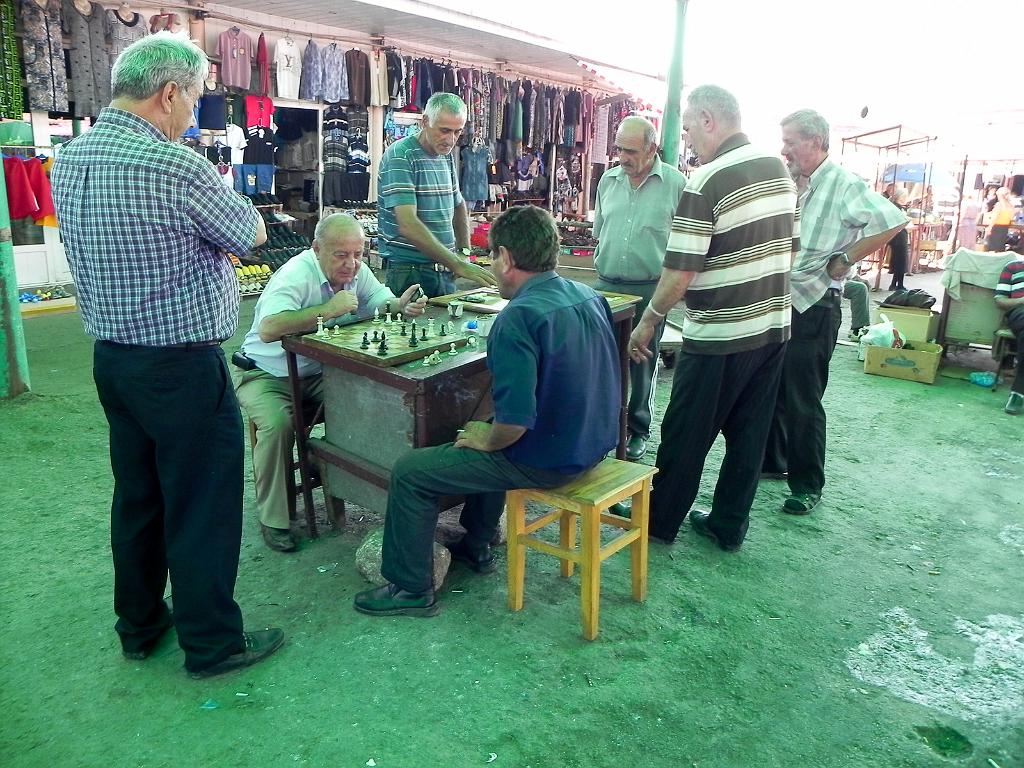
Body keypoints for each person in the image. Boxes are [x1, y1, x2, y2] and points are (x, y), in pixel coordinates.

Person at [50, 33, 283, 678]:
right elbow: (249, 232)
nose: (193, 113)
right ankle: (211, 643)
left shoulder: (72, 158)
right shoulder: (175, 166)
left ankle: (141, 626)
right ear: (170, 93)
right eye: (196, 99)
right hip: (180, 365)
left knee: (139, 496)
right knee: (202, 502)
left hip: (115, 362)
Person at [353, 206, 621, 616]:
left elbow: (513, 423)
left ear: (507, 258)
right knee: (487, 430)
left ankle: (411, 589)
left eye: (492, 257)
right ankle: (476, 546)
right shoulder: (588, 294)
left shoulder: (518, 317)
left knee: (412, 470)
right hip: (593, 442)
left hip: (551, 460)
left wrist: (487, 436)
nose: (491, 267)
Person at [627, 85, 798, 552]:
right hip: (772, 328)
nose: (687, 141)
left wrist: (650, 318)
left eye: (687, 129)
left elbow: (681, 269)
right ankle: (728, 525)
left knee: (685, 431)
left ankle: (659, 521)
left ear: (707, 119)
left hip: (721, 333)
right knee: (749, 435)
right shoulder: (779, 171)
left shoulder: (706, 181)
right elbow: (790, 250)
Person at [234, 213, 428, 552]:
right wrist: (327, 310)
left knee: (367, 398)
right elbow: (268, 328)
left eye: (358, 253)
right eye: (341, 255)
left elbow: (379, 298)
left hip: (319, 372)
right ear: (317, 249)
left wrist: (398, 305)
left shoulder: (355, 269)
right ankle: (275, 519)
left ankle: (327, 464)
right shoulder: (295, 275)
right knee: (279, 425)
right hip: (264, 373)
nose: (351, 263)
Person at [761, 109, 906, 514]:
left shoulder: (842, 182)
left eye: (791, 141)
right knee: (772, 387)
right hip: (782, 297)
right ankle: (775, 462)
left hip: (817, 302)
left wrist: (847, 256)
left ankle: (807, 484)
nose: (785, 148)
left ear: (815, 141)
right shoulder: (795, 182)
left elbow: (892, 220)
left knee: (804, 398)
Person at [592, 116, 686, 461]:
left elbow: (685, 245)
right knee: (601, 360)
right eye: (618, 149)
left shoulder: (676, 184)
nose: (622, 157)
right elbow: (600, 232)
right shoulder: (608, 181)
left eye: (630, 151)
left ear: (651, 149)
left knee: (641, 360)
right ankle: (604, 428)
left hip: (650, 287)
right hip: (606, 285)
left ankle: (638, 430)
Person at [377, 91, 496, 298]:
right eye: (444, 130)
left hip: (444, 270)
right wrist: (457, 264)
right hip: (410, 272)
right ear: (425, 122)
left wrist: (464, 252)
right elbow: (407, 224)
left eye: (457, 132)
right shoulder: (401, 156)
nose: (450, 140)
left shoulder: (445, 156)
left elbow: (458, 205)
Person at [994, 253, 1024, 415]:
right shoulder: (1013, 267)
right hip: (1020, 311)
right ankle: (1019, 392)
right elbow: (1000, 300)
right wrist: (1022, 300)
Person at [886, 188, 911, 290]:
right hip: (899, 237)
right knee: (900, 260)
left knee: (898, 260)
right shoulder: (896, 208)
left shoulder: (896, 206)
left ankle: (894, 284)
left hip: (897, 236)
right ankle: (899, 285)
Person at [986, 186, 1015, 252]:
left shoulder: (999, 205)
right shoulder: (1010, 206)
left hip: (996, 227)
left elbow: (994, 217)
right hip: (1005, 228)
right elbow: (1011, 218)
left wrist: (989, 228)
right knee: (1000, 247)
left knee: (992, 247)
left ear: (1000, 195)